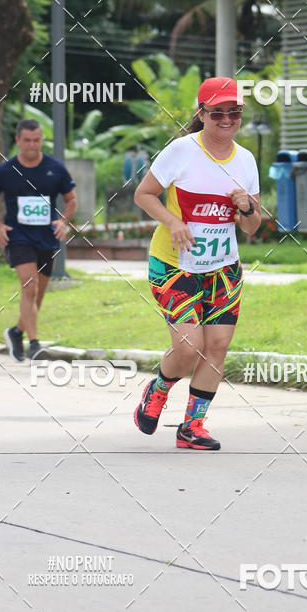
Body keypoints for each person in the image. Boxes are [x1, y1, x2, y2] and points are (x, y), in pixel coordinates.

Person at [133, 77, 261, 450]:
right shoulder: (181, 150)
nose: (226, 119)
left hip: (223, 267)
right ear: (201, 114)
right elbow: (144, 194)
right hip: (175, 264)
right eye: (217, 112)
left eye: (233, 112)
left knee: (217, 345)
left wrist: (246, 206)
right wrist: (174, 222)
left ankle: (193, 426)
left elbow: (252, 227)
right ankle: (157, 389)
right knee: (189, 347)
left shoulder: (246, 160)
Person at [0, 119, 77, 362]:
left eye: (36, 140)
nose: (32, 145)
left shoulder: (55, 168)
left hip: (47, 238)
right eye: (27, 140)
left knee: (37, 296)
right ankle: (35, 345)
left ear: (41, 140)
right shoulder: (5, 171)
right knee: (29, 288)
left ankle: (16, 332)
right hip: (18, 236)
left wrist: (62, 221)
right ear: (18, 140)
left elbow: (71, 200)